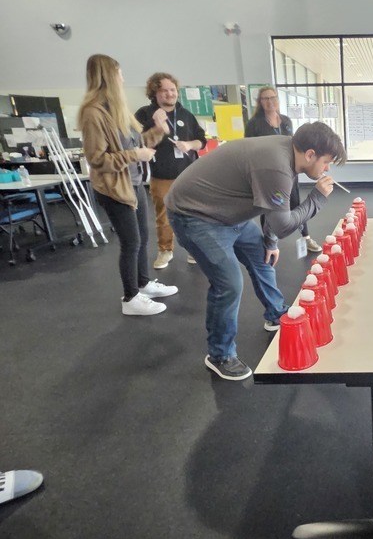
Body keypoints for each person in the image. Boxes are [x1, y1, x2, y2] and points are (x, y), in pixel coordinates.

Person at [166, 121, 346, 381]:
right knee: (229, 284)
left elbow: (273, 205)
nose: (327, 168)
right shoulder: (276, 165)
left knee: (262, 256)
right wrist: (316, 198)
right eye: (326, 162)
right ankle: (220, 355)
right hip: (194, 215)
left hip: (230, 214)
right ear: (310, 155)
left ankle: (276, 314)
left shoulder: (288, 154)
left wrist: (270, 241)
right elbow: (283, 224)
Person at [78, 54, 178, 317]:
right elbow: (97, 159)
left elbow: (138, 142)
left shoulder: (118, 110)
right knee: (131, 242)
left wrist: (157, 130)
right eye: (119, 73)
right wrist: (135, 155)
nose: (123, 78)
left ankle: (143, 284)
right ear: (108, 76)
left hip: (134, 183)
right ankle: (130, 297)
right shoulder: (93, 114)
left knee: (143, 238)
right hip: (114, 188)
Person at [135, 72, 207, 270]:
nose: (169, 94)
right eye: (164, 91)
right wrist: (157, 126)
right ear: (154, 93)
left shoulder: (186, 115)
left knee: (193, 214)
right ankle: (165, 250)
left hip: (188, 175)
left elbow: (202, 140)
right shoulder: (144, 114)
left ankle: (194, 249)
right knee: (164, 215)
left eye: (172, 90)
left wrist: (189, 144)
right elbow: (138, 142)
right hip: (162, 174)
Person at [245, 86, 322, 253]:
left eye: (273, 98)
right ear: (260, 102)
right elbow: (248, 149)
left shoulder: (286, 121)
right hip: (267, 172)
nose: (270, 102)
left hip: (288, 169)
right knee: (269, 205)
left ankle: (306, 237)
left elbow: (293, 144)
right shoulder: (254, 124)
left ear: (278, 100)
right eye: (265, 99)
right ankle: (269, 242)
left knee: (295, 202)